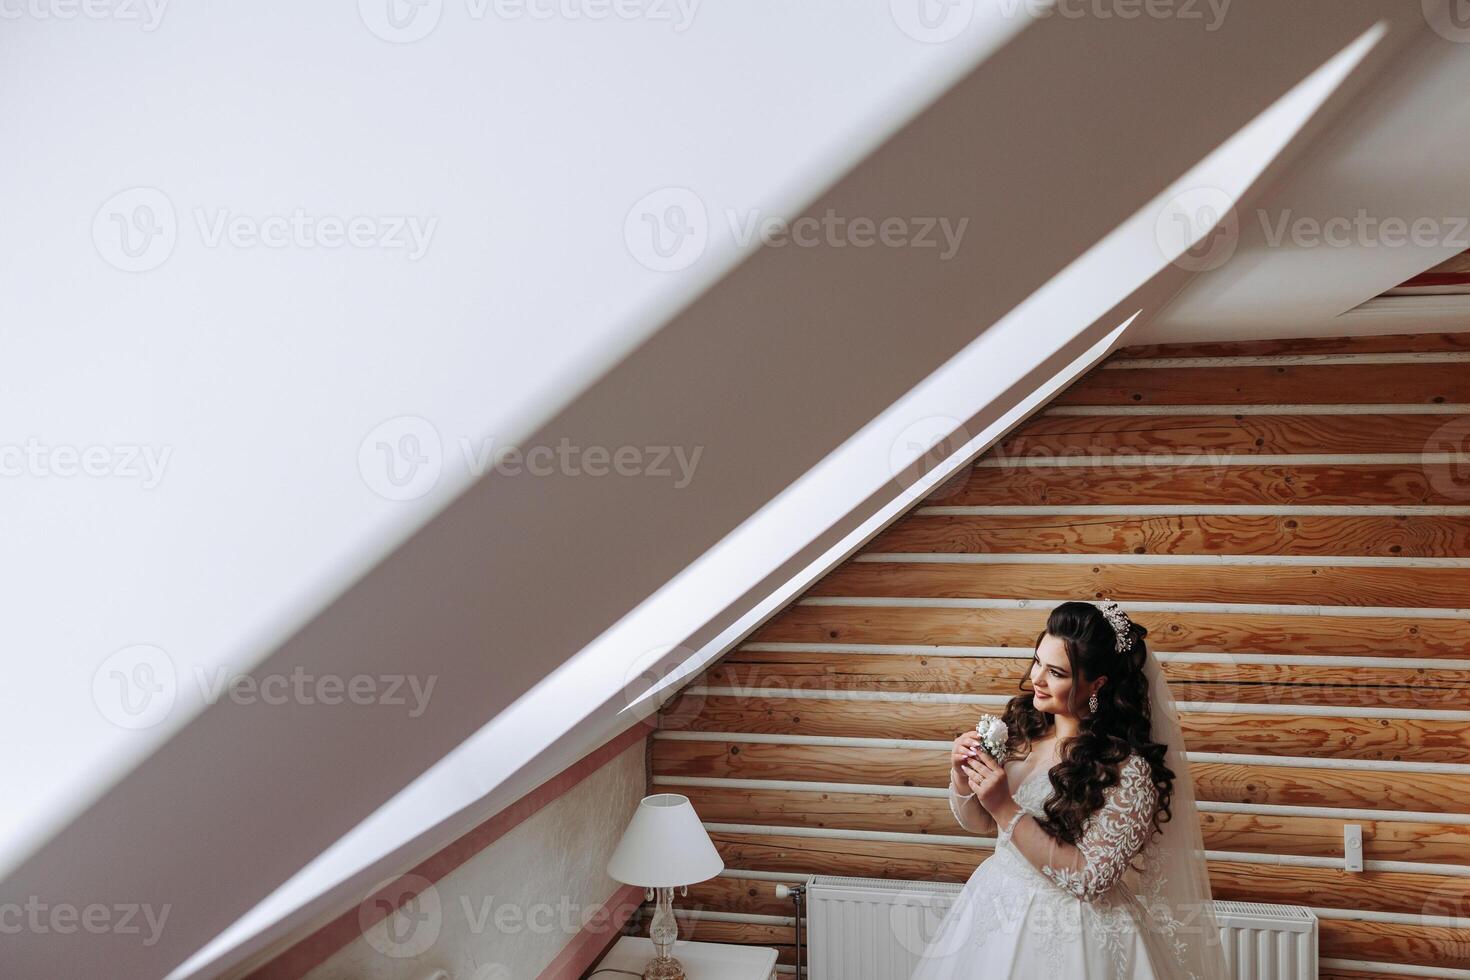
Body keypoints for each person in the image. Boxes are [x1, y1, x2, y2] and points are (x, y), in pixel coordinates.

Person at [908, 599, 1230, 979]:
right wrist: (962, 776)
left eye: (1056, 672)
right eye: (1037, 661)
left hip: (1076, 932)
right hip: (996, 907)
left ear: (1097, 685)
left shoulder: (1127, 772)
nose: (1036, 679)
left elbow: (1089, 879)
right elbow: (979, 824)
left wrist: (1005, 807)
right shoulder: (1022, 730)